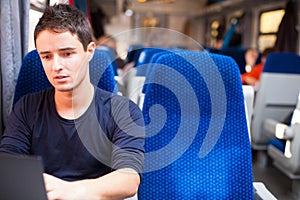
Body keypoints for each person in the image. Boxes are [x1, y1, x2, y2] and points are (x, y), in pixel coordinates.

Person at [0, 4, 145, 200]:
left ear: (89, 51)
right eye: (46, 56)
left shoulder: (122, 111)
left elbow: (128, 180)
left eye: (67, 54)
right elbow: (8, 168)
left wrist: (68, 191)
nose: (56, 66)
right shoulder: (27, 108)